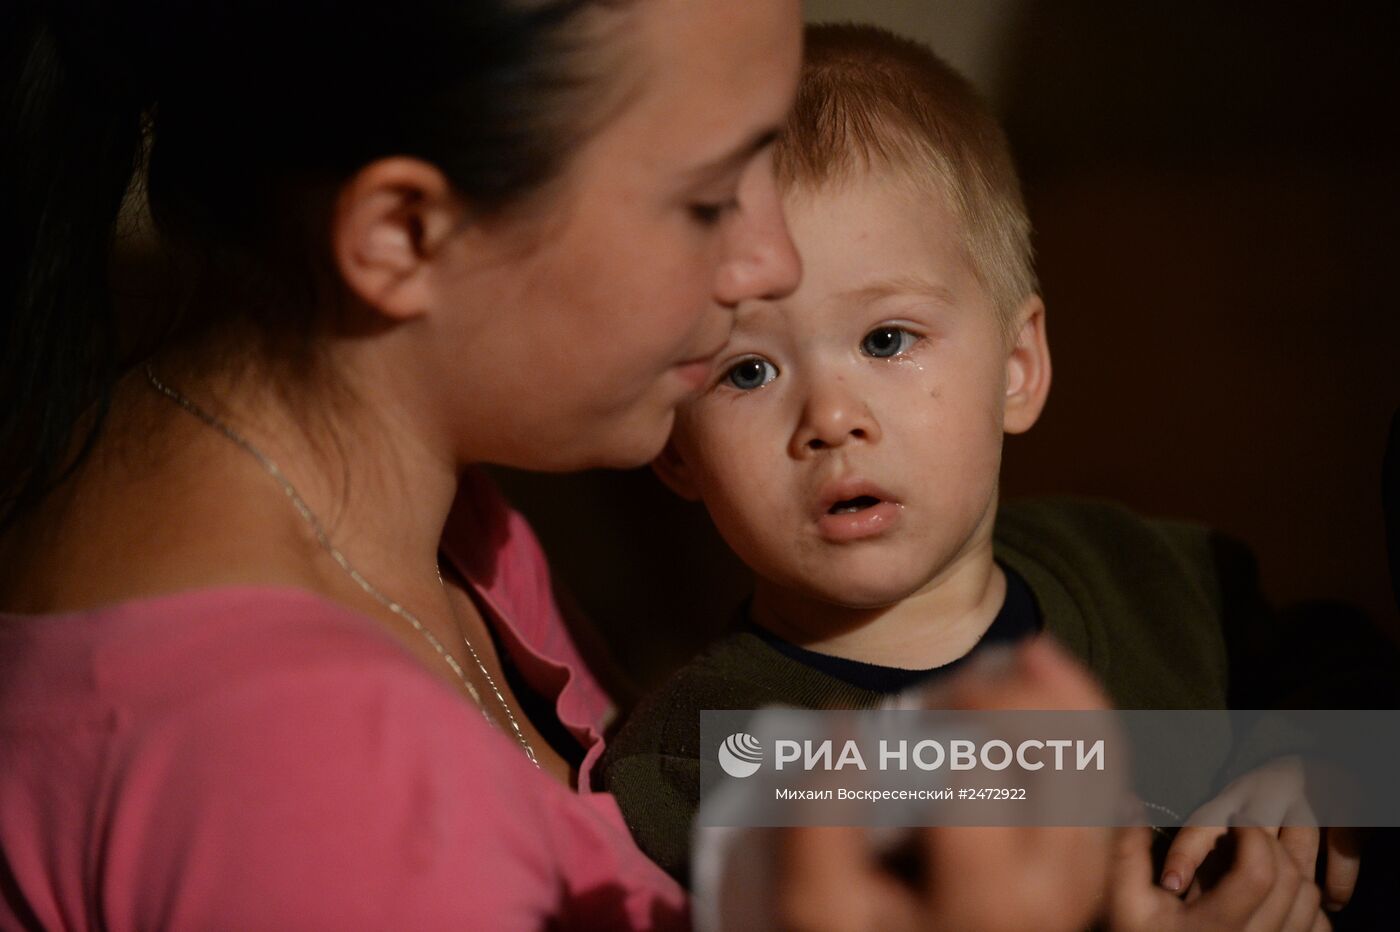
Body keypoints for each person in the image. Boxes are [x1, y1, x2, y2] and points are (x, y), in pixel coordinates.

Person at [0, 2, 1121, 929]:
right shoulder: (308, 779)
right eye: (705, 197)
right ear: (402, 233)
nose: (768, 258)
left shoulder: (427, 516)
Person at [600, 23, 1374, 929]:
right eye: (748, 371)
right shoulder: (706, 762)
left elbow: (1360, 680)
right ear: (675, 445)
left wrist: (1321, 765)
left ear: (1016, 367)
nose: (831, 420)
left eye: (887, 339)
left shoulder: (1149, 576)